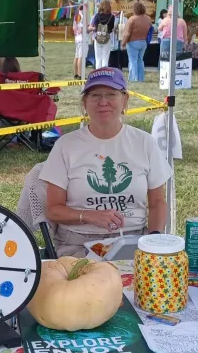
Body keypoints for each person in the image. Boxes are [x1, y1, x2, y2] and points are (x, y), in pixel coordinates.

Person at [40, 68, 172, 258]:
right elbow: (53, 210)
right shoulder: (65, 146)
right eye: (95, 95)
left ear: (125, 100)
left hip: (132, 240)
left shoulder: (144, 142)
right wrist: (89, 216)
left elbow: (158, 202)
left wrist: (153, 242)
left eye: (111, 94)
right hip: (78, 243)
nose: (103, 102)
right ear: (85, 103)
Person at [122, 1, 153, 82]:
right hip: (143, 42)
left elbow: (127, 33)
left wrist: (123, 43)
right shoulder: (148, 18)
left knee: (133, 60)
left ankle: (133, 78)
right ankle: (141, 78)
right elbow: (151, 29)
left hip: (133, 42)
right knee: (140, 60)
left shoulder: (132, 19)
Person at [88, 0, 116, 69]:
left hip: (97, 38)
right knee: (105, 58)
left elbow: (95, 26)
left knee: (98, 58)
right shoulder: (112, 17)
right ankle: (104, 75)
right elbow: (111, 28)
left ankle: (98, 74)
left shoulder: (96, 16)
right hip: (107, 38)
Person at [73, 6, 84, 79]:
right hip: (81, 38)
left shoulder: (76, 16)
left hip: (76, 37)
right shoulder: (82, 16)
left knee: (76, 56)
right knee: (80, 56)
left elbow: (73, 28)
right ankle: (80, 74)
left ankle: (75, 73)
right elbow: (83, 29)